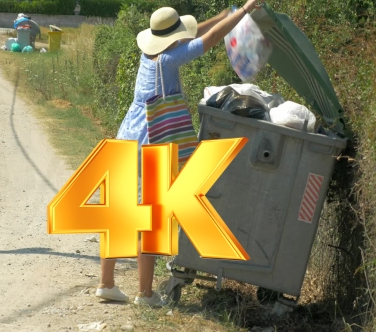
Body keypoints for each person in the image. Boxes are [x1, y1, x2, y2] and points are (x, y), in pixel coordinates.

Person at [95, 0, 260, 307]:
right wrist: (243, 12)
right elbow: (204, 41)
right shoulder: (170, 61)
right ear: (173, 40)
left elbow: (192, 34)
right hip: (152, 144)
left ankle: (106, 283)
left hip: (126, 140)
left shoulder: (149, 56)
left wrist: (222, 16)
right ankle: (145, 293)